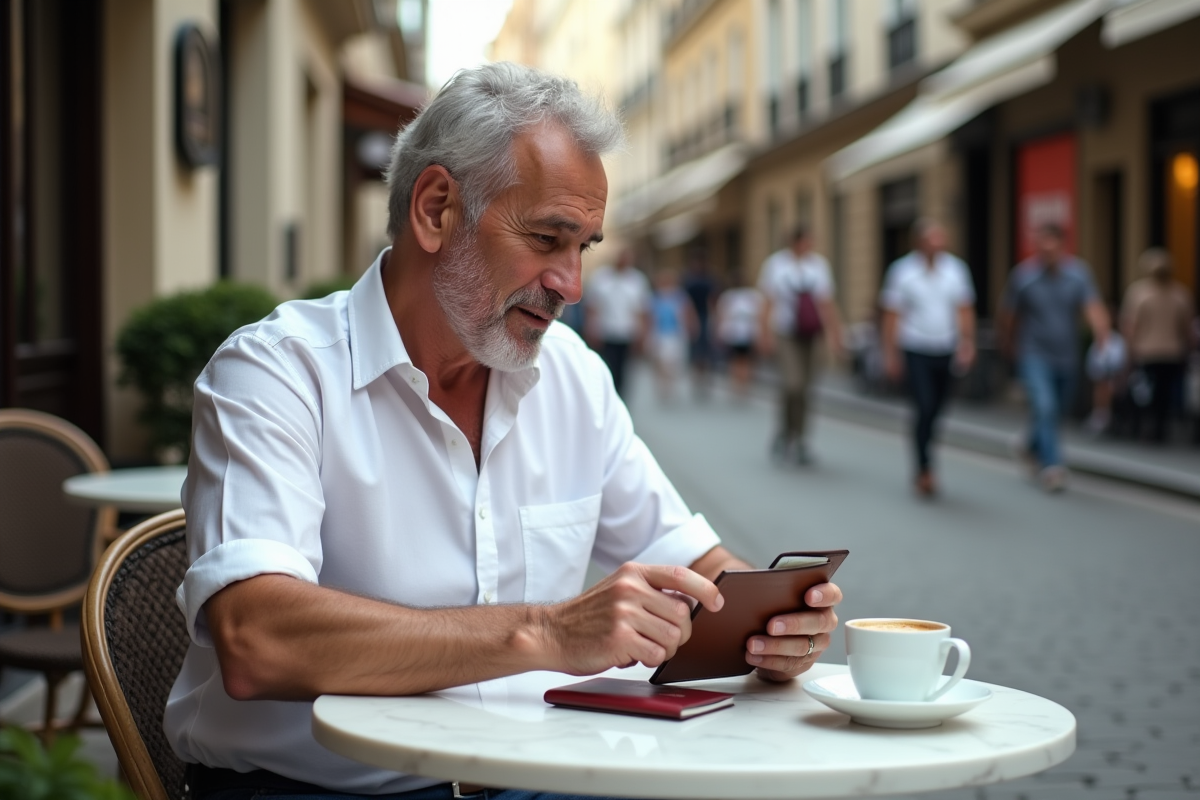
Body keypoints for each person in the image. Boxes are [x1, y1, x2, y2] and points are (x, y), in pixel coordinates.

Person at [165, 63, 843, 800]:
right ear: (435, 209)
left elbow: (700, 565)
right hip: (315, 789)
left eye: (583, 247)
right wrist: (548, 633)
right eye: (549, 238)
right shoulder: (276, 372)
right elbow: (256, 639)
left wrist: (771, 622)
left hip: (538, 779)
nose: (571, 284)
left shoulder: (573, 376)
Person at [1000, 223, 1110, 493]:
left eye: (1051, 245)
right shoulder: (1023, 276)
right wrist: (1008, 346)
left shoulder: (1079, 274)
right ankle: (1053, 467)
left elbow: (1093, 307)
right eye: (1041, 245)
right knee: (1045, 406)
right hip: (1034, 353)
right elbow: (1009, 316)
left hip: (1066, 356)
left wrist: (1102, 336)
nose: (1046, 251)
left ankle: (1029, 444)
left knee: (1056, 410)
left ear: (1062, 245)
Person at [879, 219, 977, 497]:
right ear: (919, 243)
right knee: (923, 405)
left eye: (940, 240)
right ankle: (924, 467)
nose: (937, 246)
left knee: (938, 408)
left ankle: (926, 445)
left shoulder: (956, 270)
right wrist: (890, 354)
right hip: (915, 347)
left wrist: (968, 343)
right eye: (932, 241)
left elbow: (964, 309)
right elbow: (892, 315)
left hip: (945, 347)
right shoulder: (902, 272)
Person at [758, 226, 844, 464]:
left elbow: (826, 303)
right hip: (785, 333)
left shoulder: (818, 266)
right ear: (795, 242)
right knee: (792, 385)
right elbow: (768, 301)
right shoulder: (775, 265)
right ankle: (786, 431)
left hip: (811, 334)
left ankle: (800, 439)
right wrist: (763, 334)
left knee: (806, 389)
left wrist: (836, 335)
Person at [1119, 248, 1194, 442]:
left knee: (1144, 393)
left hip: (1147, 351)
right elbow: (1187, 328)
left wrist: (1129, 350)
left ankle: (1144, 428)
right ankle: (1159, 428)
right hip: (1172, 352)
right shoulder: (1180, 294)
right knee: (1164, 393)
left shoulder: (1139, 292)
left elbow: (1130, 326)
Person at [585, 248, 650, 398]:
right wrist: (592, 328)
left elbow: (642, 310)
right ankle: (607, 396)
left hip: (627, 332)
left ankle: (620, 399)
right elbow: (592, 306)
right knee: (607, 367)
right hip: (606, 331)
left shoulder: (637, 280)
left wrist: (643, 334)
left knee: (624, 370)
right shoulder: (601, 278)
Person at [648, 268, 696, 402]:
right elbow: (649, 316)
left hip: (676, 333)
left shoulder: (680, 296)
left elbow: (688, 312)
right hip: (660, 334)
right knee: (662, 361)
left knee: (674, 362)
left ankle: (670, 385)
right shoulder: (655, 297)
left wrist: (691, 326)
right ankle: (663, 386)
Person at [716, 272, 765, 399]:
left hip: (748, 332)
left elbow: (760, 316)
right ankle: (738, 384)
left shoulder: (752, 296)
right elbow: (722, 316)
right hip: (734, 333)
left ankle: (743, 384)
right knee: (737, 359)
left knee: (745, 359)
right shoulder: (728, 296)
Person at [682, 252, 717, 399]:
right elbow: (684, 302)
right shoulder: (688, 280)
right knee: (695, 350)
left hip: (705, 317)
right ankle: (698, 379)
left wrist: (714, 319)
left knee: (705, 350)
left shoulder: (708, 279)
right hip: (693, 318)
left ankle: (704, 379)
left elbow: (712, 300)